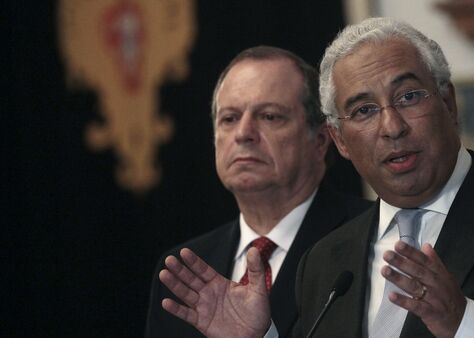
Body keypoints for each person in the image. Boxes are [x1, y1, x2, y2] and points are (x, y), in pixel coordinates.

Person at [157, 18, 474, 338]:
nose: (391, 127)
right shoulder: (325, 262)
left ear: (448, 103)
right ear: (340, 141)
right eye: (364, 110)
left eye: (408, 96)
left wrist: (465, 323)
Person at [145, 46, 371, 338]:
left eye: (269, 116)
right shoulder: (183, 270)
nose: (243, 133)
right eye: (229, 118)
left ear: (320, 140)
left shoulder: (370, 236)